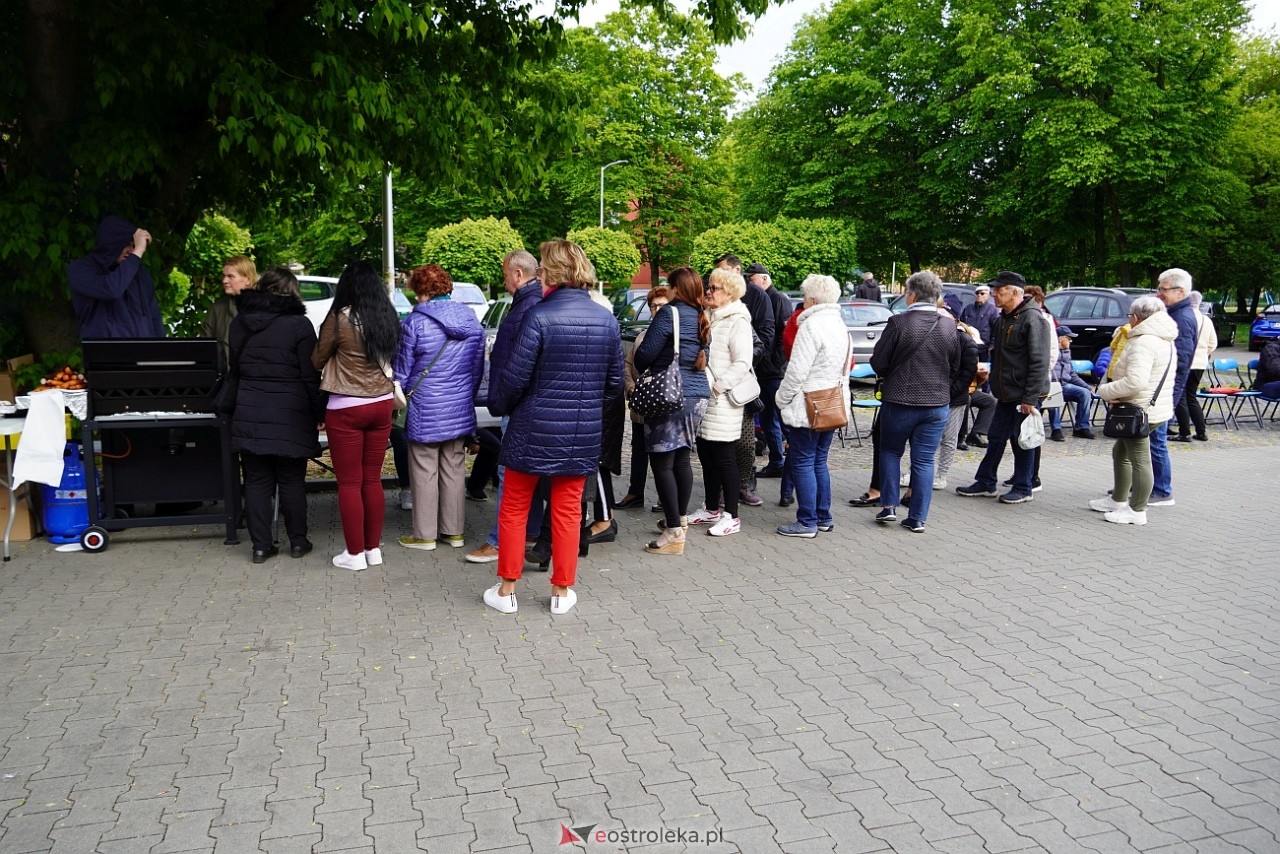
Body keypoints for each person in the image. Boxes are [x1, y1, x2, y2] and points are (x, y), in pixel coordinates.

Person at [484, 239, 622, 615]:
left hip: (532, 428)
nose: (540, 274)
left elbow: (515, 379)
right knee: (568, 511)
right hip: (580, 430)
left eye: (543, 267)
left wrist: (499, 404)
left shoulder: (539, 316)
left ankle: (507, 590)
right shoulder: (606, 320)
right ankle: (561, 592)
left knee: (514, 506)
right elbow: (613, 385)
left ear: (553, 272)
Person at [224, 267, 324, 564]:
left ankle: (260, 546)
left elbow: (234, 368)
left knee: (256, 481)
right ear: (292, 293)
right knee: (292, 480)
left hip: (249, 410)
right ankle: (298, 542)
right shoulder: (299, 325)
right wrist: (319, 411)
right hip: (291, 413)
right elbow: (310, 375)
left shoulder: (240, 322)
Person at [313, 261, 400, 571]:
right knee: (372, 479)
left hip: (346, 406)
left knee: (349, 483)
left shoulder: (340, 318)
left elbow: (317, 359)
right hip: (382, 403)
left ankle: (354, 554)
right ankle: (373, 550)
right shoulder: (387, 315)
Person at [394, 264, 485, 552]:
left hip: (425, 409)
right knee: (454, 469)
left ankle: (424, 535)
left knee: (424, 469)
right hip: (459, 407)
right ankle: (454, 533)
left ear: (419, 289)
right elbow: (477, 370)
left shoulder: (414, 322)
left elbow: (401, 372)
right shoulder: (471, 320)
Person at [466, 250, 542, 564]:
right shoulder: (529, 303)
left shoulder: (528, 307)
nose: (504, 281)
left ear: (518, 274)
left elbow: (519, 364)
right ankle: (529, 533)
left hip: (519, 405)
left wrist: (503, 399)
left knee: (509, 473)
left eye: (505, 275)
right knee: (526, 473)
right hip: (524, 403)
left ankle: (501, 542)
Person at [871, 271, 962, 533]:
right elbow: (955, 364)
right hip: (936, 403)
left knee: (890, 452)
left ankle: (889, 506)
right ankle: (917, 518)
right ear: (937, 296)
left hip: (900, 400)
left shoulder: (898, 323)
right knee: (924, 460)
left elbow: (879, 362)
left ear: (911, 295)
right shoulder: (948, 325)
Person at [633, 267, 711, 555]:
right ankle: (679, 520)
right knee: (681, 459)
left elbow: (644, 355)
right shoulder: (702, 316)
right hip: (697, 395)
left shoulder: (669, 313)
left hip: (669, 394)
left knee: (662, 462)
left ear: (677, 288)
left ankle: (674, 531)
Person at [956, 271, 1050, 504]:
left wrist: (1030, 398)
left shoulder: (1033, 319)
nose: (994, 294)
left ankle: (1024, 487)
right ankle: (986, 481)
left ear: (1015, 292)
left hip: (1023, 394)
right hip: (1006, 392)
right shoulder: (1004, 318)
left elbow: (1039, 362)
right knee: (996, 437)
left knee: (1022, 440)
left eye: (999, 290)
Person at [1089, 296, 1177, 525]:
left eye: (1130, 315)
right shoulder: (1163, 338)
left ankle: (1137, 510)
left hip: (1138, 409)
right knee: (1121, 452)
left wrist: (1105, 390)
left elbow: (1136, 381)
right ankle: (1118, 499)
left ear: (1137, 317)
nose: (1128, 319)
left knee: (1139, 460)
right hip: (1153, 407)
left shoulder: (1144, 342)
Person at [775, 274, 850, 537]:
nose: (804, 301)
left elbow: (796, 371)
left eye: (806, 297)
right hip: (831, 403)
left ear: (814, 300)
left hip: (808, 404)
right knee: (819, 460)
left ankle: (807, 521)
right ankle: (823, 516)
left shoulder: (811, 326)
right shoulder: (840, 325)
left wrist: (781, 398)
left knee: (803, 461)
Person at [692, 267, 755, 538]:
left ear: (729, 293)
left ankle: (732, 515)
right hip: (705, 399)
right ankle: (711, 508)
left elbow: (742, 362)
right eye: (708, 286)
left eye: (714, 288)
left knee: (725, 458)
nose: (708, 291)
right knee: (706, 455)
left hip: (723, 400)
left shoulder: (737, 320)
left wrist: (718, 387)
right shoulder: (709, 316)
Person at [714, 254, 773, 508]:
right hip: (717, 390)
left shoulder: (747, 308)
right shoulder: (710, 313)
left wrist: (744, 360)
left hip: (741, 386)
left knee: (746, 442)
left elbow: (762, 341)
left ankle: (744, 484)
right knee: (718, 442)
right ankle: (720, 490)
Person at [617, 286, 671, 510]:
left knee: (662, 454)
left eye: (662, 305)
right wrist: (630, 387)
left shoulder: (673, 336)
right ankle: (635, 492)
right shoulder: (642, 335)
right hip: (640, 403)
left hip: (661, 404)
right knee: (638, 450)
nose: (657, 309)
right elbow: (627, 364)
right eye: (653, 306)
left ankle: (665, 497)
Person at [67, 215, 164, 339]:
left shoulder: (138, 271)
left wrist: (161, 347)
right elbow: (110, 289)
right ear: (112, 243)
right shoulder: (81, 269)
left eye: (133, 246)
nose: (131, 251)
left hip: (143, 348)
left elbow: (154, 315)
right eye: (126, 245)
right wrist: (138, 250)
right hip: (105, 349)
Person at [1149, 268, 1198, 506]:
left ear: (1181, 292)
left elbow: (1181, 362)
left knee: (1156, 441)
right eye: (1158, 288)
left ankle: (1161, 490)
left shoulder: (1182, 318)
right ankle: (1145, 485)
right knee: (1150, 441)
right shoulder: (1174, 313)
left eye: (1164, 289)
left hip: (1165, 391)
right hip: (1164, 390)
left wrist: (1168, 395)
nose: (1159, 293)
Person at [746, 263, 792, 480]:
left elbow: (784, 336)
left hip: (774, 371)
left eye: (752, 279)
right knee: (767, 419)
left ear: (764, 278)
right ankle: (777, 461)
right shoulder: (760, 299)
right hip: (764, 370)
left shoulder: (777, 298)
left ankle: (789, 465)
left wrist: (775, 363)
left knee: (780, 419)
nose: (749, 283)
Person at [1173, 290, 1217, 442]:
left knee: (1181, 397)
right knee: (1191, 396)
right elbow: (1213, 343)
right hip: (1200, 363)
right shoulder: (1206, 320)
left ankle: (1184, 432)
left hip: (1185, 362)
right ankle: (1201, 431)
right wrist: (1204, 353)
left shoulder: (1183, 318)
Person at [202, 255, 258, 367]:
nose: (224, 281)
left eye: (231, 276)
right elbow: (205, 347)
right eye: (224, 276)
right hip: (226, 375)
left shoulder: (265, 308)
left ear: (248, 280)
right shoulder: (217, 309)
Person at [1048, 326, 1097, 440]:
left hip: (1065, 386)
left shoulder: (1067, 352)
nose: (1071, 341)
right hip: (1051, 387)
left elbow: (1072, 374)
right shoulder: (1049, 352)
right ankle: (1056, 429)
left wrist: (1087, 387)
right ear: (1060, 339)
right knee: (1054, 393)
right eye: (1069, 338)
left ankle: (1081, 428)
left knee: (1085, 393)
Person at [959, 284, 1000, 355]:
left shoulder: (992, 310)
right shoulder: (968, 308)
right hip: (968, 347)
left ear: (988, 295)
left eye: (982, 293)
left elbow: (996, 330)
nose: (979, 295)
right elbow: (961, 324)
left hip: (984, 348)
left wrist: (992, 346)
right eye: (977, 293)